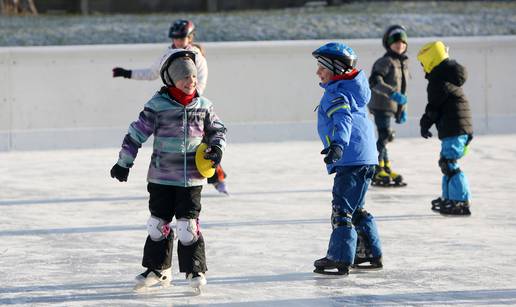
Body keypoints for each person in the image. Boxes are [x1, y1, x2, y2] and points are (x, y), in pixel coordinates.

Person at [110, 49, 227, 290]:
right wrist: (123, 163)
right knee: (157, 225)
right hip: (161, 178)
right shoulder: (157, 106)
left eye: (193, 76)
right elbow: (135, 135)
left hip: (192, 180)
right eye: (184, 77)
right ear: (171, 79)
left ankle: (195, 270)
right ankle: (158, 269)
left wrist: (216, 149)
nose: (190, 81)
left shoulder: (204, 105)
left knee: (188, 227)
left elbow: (218, 130)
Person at [112, 19, 229, 195]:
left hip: (192, 107)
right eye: (175, 38)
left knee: (203, 144)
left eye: (182, 38)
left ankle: (217, 178)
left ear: (190, 37)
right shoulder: (169, 54)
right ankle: (169, 182)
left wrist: (189, 102)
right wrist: (127, 73)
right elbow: (152, 72)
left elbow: (199, 85)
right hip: (172, 103)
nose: (178, 42)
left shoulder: (196, 56)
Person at [311, 42, 383, 275]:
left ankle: (340, 257)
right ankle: (370, 252)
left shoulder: (337, 92)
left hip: (350, 158)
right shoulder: (354, 90)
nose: (317, 72)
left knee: (342, 209)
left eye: (322, 67)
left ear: (336, 69)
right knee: (357, 208)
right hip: (365, 157)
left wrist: (338, 146)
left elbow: (343, 120)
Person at [417, 41, 473, 216]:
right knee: (446, 163)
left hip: (455, 128)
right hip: (457, 128)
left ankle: (461, 201)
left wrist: (425, 123)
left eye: (422, 63)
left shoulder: (438, 80)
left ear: (430, 60)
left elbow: (434, 107)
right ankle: (450, 198)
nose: (422, 67)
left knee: (449, 164)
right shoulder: (445, 77)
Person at [368, 25, 409, 187]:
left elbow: (402, 91)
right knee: (385, 136)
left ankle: (385, 166)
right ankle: (377, 168)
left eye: (403, 43)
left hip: (390, 106)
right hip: (381, 105)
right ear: (388, 44)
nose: (400, 45)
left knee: (384, 138)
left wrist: (401, 110)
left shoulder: (402, 63)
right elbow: (375, 81)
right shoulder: (385, 61)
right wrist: (391, 93)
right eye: (396, 43)